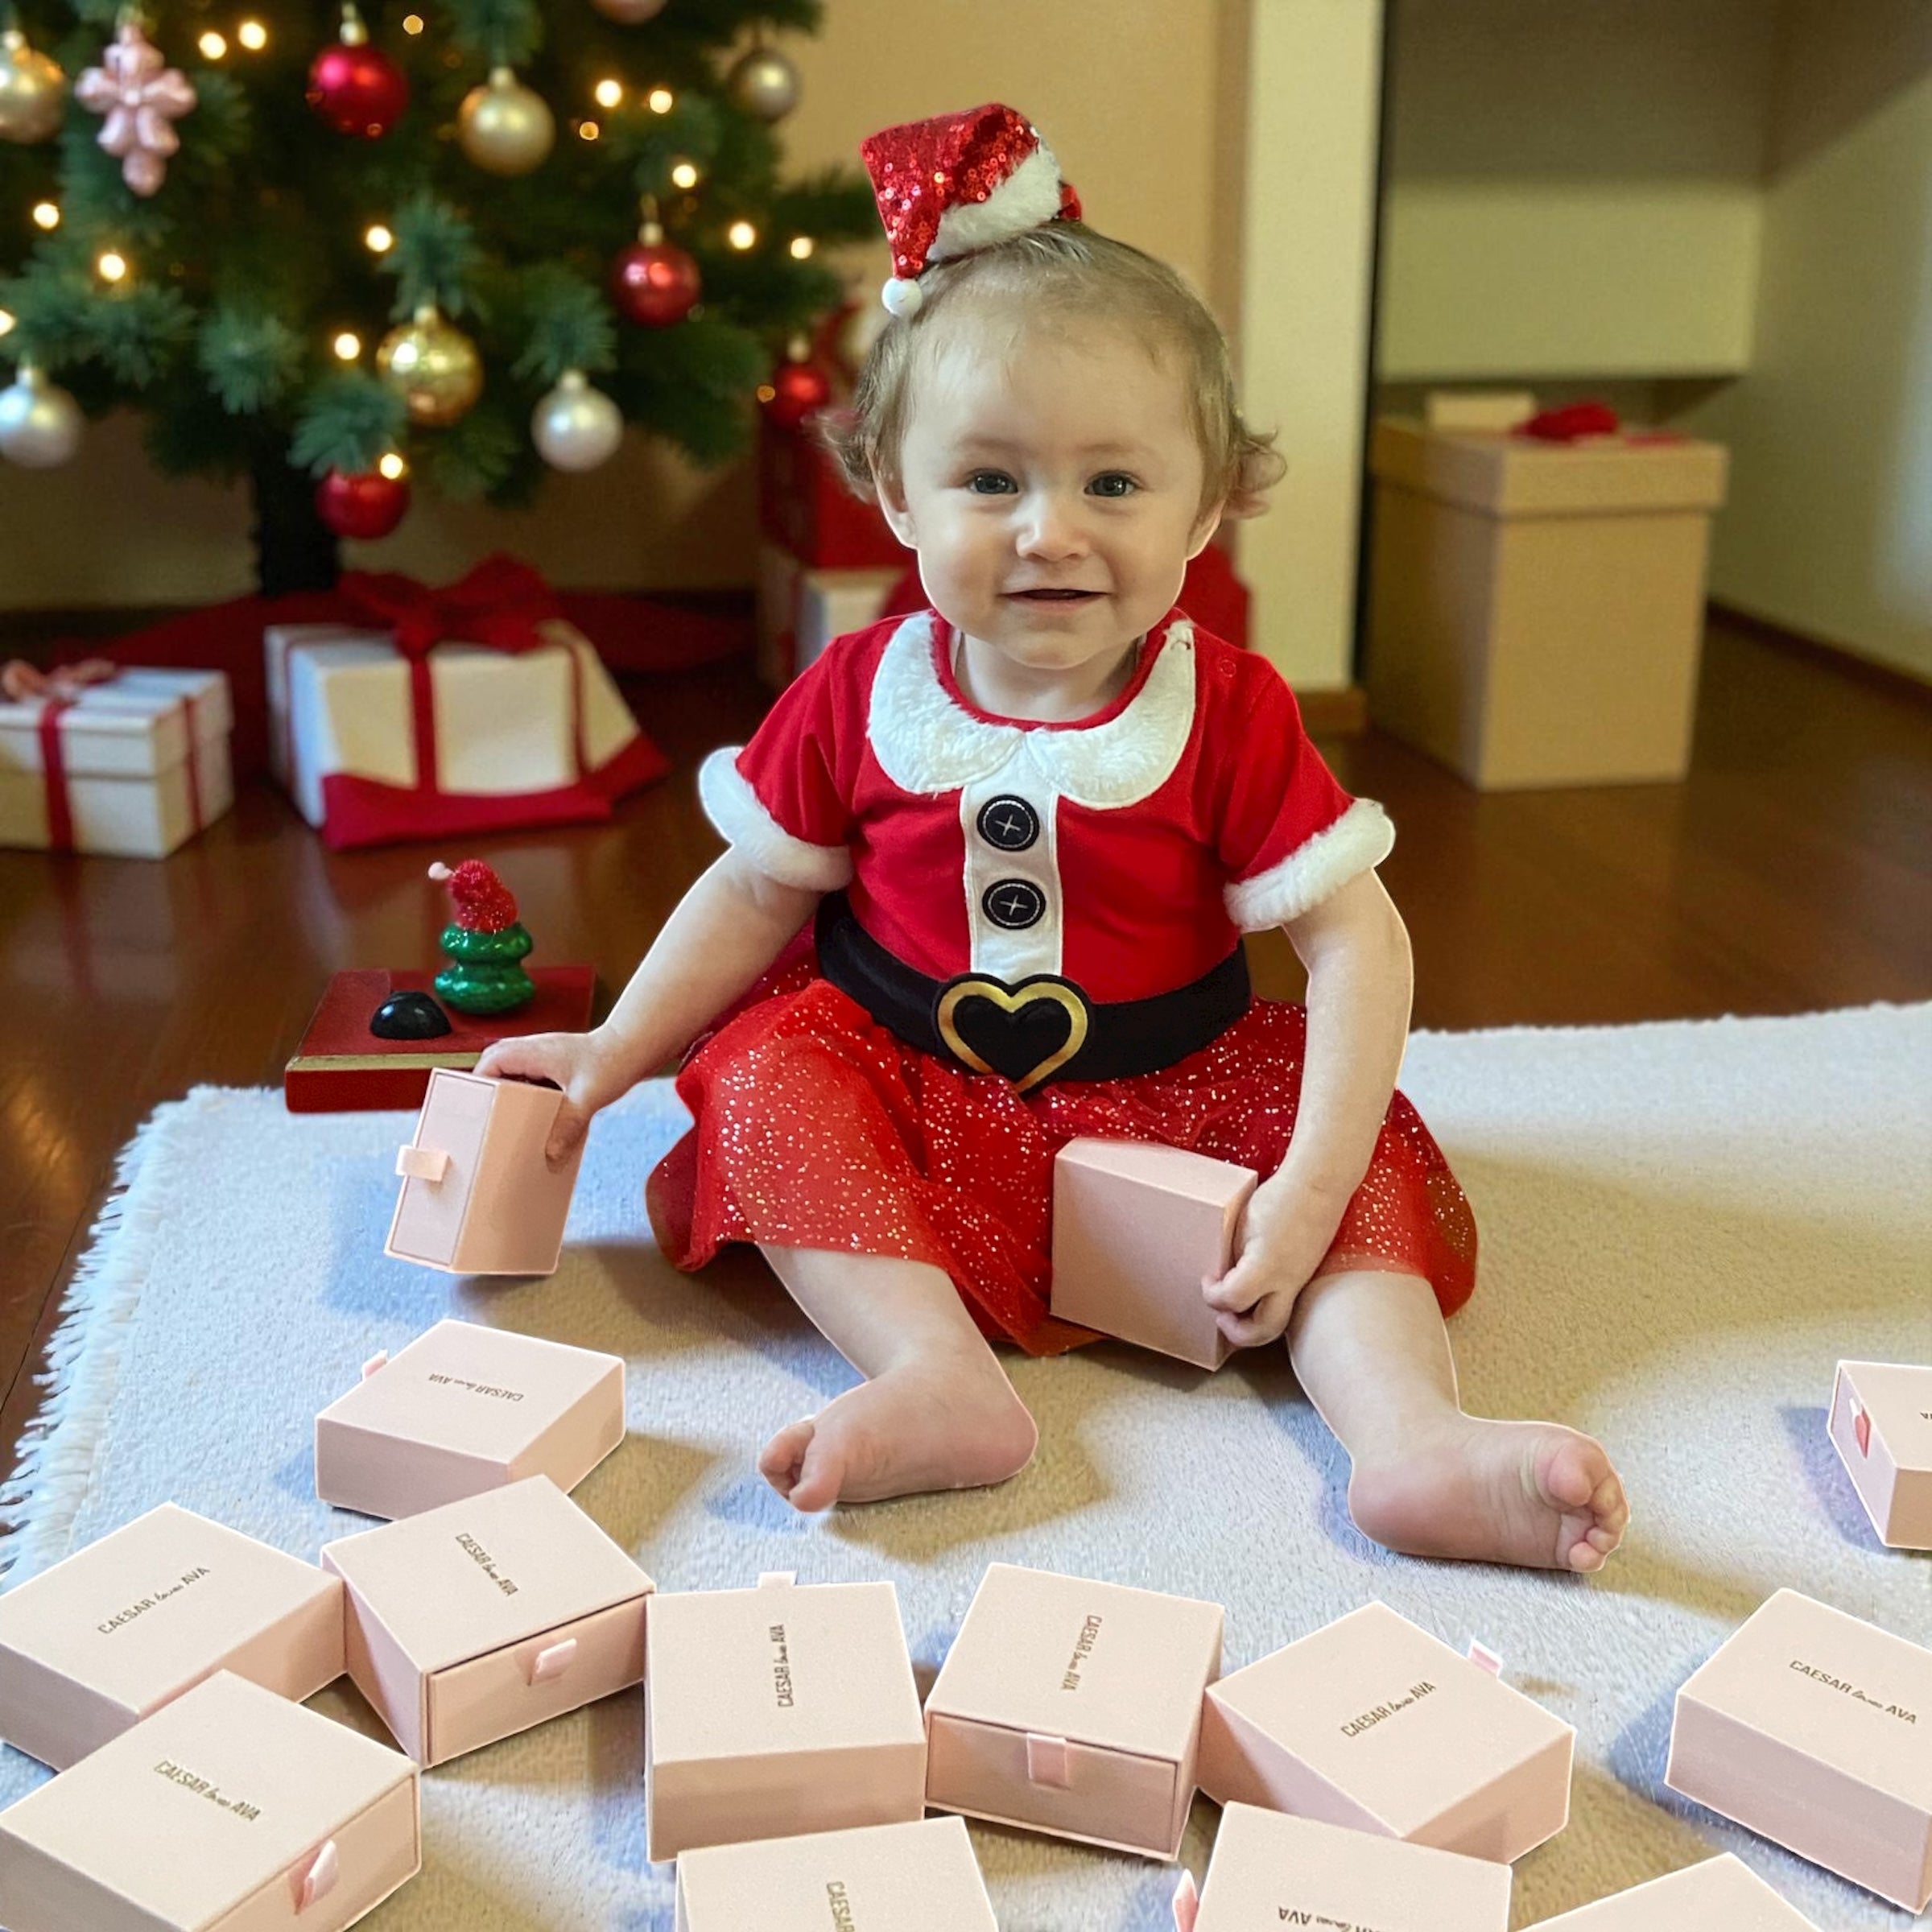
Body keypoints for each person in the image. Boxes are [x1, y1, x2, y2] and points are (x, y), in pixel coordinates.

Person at [480, 103, 1629, 1573]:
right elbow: (756, 888)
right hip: (913, 1088)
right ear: (896, 490)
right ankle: (934, 1375)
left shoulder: (1227, 707)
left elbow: (1356, 941)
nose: (1049, 532)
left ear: (1207, 503)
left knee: (1365, 1159)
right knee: (758, 1074)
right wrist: (609, 1053)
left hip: (1177, 1086)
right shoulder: (857, 690)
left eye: (1114, 483)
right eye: (989, 480)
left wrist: (1313, 1178)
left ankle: (1408, 1438)